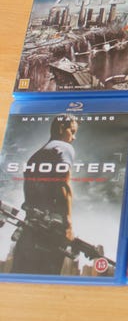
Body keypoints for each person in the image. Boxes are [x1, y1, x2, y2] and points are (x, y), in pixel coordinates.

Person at [12, 116, 79, 275]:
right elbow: (63, 184)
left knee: (20, 277)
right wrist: (68, 225)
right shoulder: (64, 148)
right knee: (46, 279)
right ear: (61, 128)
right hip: (51, 231)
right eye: (72, 131)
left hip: (29, 230)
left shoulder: (35, 156)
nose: (74, 137)